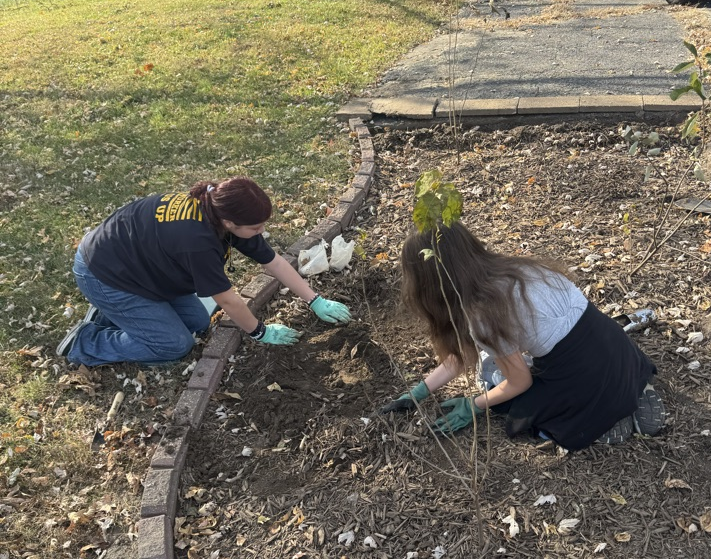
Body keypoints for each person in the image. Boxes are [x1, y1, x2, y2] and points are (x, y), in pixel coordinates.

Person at [380, 221, 665, 450]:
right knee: (496, 367)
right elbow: (464, 355)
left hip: (580, 375)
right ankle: (633, 390)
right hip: (615, 347)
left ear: (431, 283)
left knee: (503, 393)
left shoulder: (483, 314)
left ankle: (606, 424)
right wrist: (420, 392)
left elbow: (520, 381)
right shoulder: (517, 269)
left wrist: (473, 406)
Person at [56, 176, 351, 367]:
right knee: (174, 344)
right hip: (105, 274)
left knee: (197, 321)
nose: (262, 232)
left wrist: (315, 300)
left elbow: (273, 262)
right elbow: (228, 300)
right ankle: (86, 341)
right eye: (256, 228)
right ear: (230, 223)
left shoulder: (218, 209)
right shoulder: (198, 242)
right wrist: (260, 332)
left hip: (138, 268)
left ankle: (109, 314)